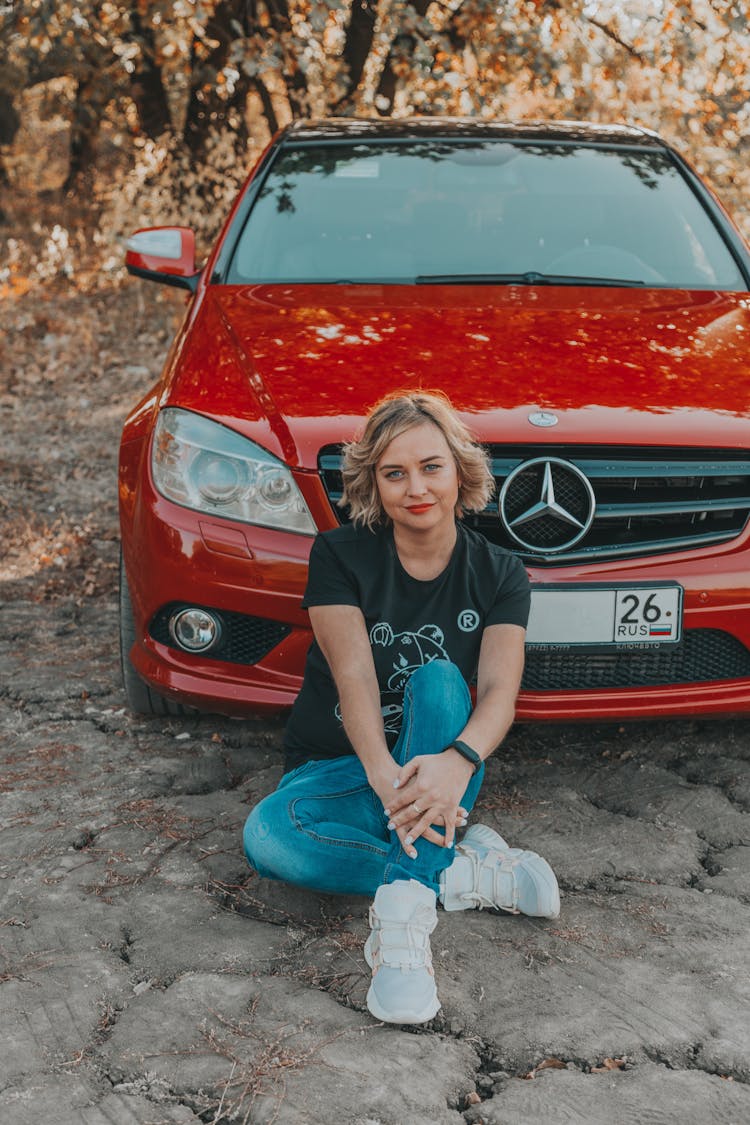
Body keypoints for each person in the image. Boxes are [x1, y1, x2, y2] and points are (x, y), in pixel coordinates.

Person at [243, 391, 560, 1025]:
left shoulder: (500, 573)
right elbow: (354, 674)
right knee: (269, 838)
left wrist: (460, 761)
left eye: (431, 466)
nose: (416, 487)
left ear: (460, 471)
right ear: (374, 484)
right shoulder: (340, 555)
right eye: (395, 473)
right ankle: (463, 872)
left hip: (442, 772)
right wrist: (386, 778)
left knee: (443, 681)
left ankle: (402, 924)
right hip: (342, 768)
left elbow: (500, 690)